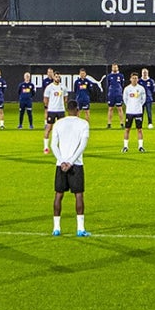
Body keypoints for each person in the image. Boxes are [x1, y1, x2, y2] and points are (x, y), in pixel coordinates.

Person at [50, 99, 91, 236]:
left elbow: (53, 145)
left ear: (67, 110)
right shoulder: (83, 124)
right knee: (78, 195)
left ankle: (56, 228)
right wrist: (71, 162)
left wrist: (62, 161)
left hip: (60, 165)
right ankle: (80, 229)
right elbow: (83, 145)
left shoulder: (58, 123)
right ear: (77, 110)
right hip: (76, 165)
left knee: (58, 195)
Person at [42, 72, 67, 155]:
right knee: (49, 128)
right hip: (52, 110)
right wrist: (49, 107)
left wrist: (61, 105)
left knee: (62, 130)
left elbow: (65, 98)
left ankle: (62, 147)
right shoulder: (49, 88)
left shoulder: (63, 87)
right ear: (53, 77)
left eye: (58, 77)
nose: (57, 78)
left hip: (61, 110)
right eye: (56, 77)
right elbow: (45, 99)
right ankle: (46, 147)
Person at [122, 72, 148, 152]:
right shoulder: (127, 89)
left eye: (136, 78)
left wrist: (139, 105)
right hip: (129, 112)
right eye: (133, 78)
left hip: (138, 111)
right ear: (130, 79)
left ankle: (140, 146)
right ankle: (125, 146)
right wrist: (129, 105)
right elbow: (125, 99)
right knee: (127, 129)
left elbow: (143, 99)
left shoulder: (141, 88)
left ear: (138, 79)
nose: (134, 80)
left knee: (139, 129)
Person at [104, 63, 126, 128]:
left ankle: (122, 123)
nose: (115, 68)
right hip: (111, 94)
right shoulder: (109, 76)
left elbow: (122, 84)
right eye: (114, 67)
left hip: (118, 94)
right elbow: (107, 85)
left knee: (120, 108)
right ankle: (109, 123)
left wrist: (119, 90)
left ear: (118, 68)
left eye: (116, 67)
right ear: (112, 68)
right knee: (110, 108)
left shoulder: (121, 76)